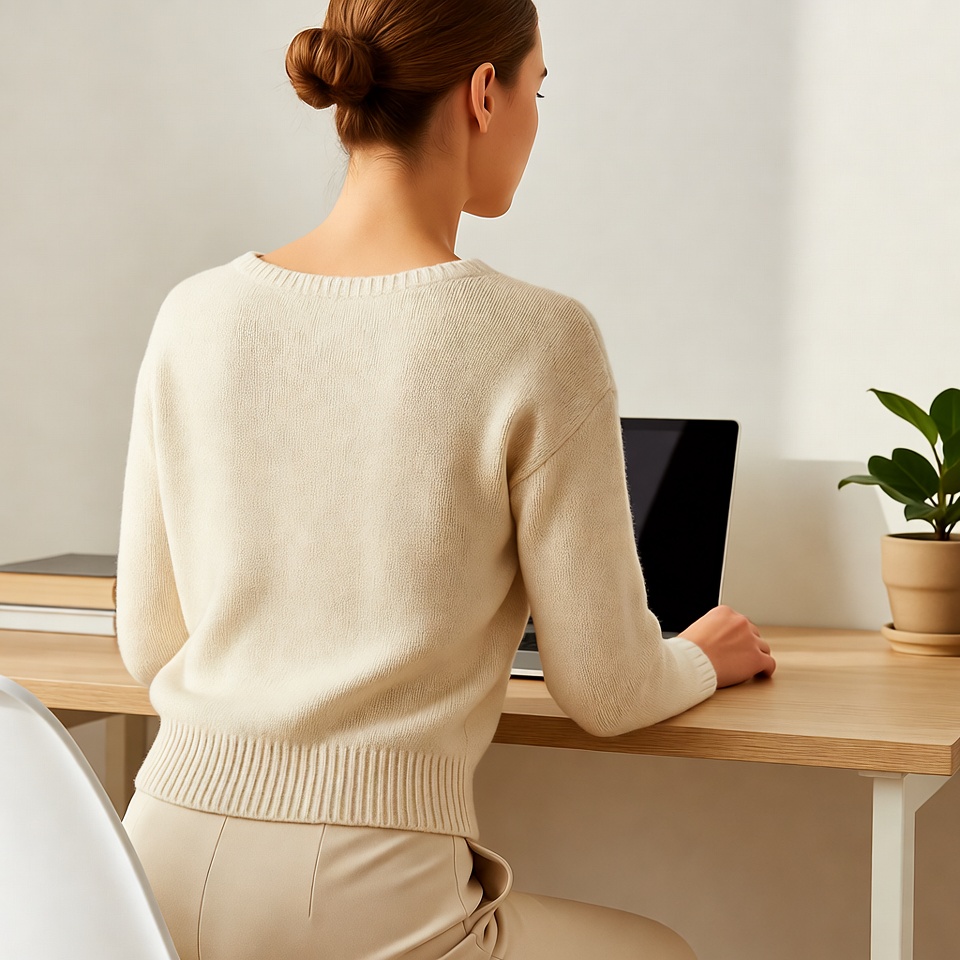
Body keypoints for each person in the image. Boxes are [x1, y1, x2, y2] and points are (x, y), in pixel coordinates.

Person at [116, 2, 776, 958]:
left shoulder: (194, 313)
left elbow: (150, 644)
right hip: (363, 893)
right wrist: (703, 657)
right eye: (536, 89)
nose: (536, 119)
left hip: (152, 871)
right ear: (482, 93)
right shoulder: (538, 336)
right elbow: (608, 686)